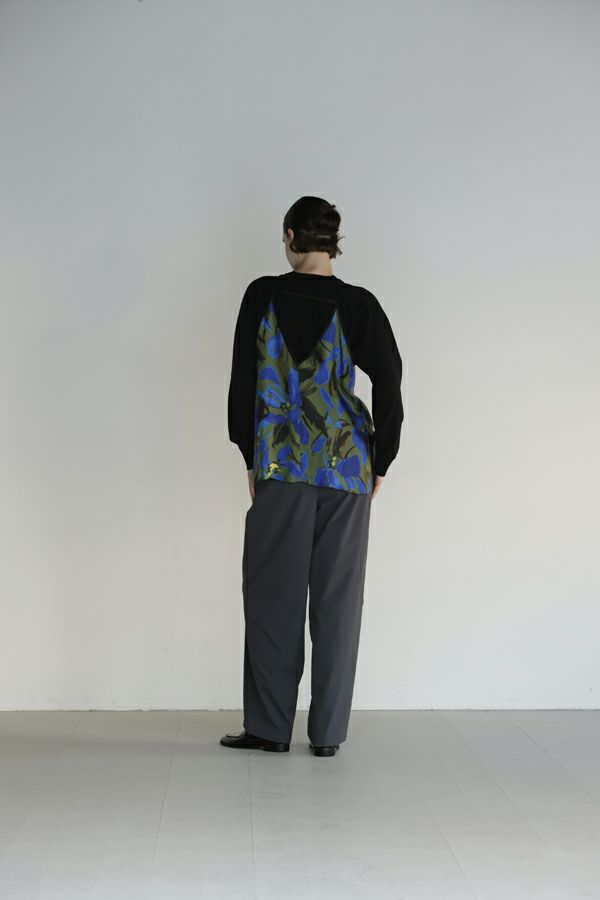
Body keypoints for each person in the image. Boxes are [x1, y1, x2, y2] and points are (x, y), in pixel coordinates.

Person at [221, 196, 404, 757]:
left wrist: (249, 454)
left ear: (290, 236)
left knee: (273, 595)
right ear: (333, 243)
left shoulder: (262, 295)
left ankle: (270, 728)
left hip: (281, 464)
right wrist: (381, 458)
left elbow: (243, 379)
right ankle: (327, 737)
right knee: (338, 602)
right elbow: (390, 378)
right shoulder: (358, 304)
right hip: (347, 467)